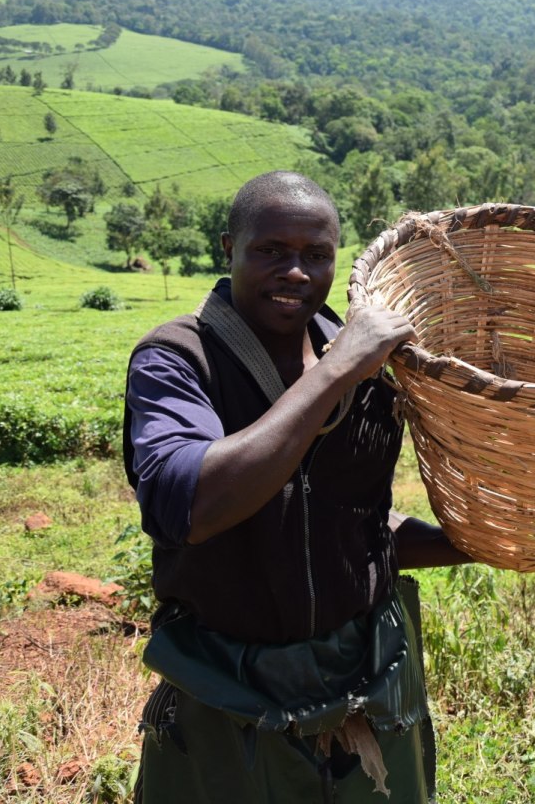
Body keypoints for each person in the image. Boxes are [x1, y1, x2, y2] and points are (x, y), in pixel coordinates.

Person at [123, 170, 496, 802]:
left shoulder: (369, 367)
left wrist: (478, 544)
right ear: (228, 249)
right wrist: (337, 371)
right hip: (229, 689)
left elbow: (357, 527)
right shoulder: (177, 360)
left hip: (366, 683)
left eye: (316, 255)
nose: (296, 271)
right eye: (271, 250)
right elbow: (188, 505)